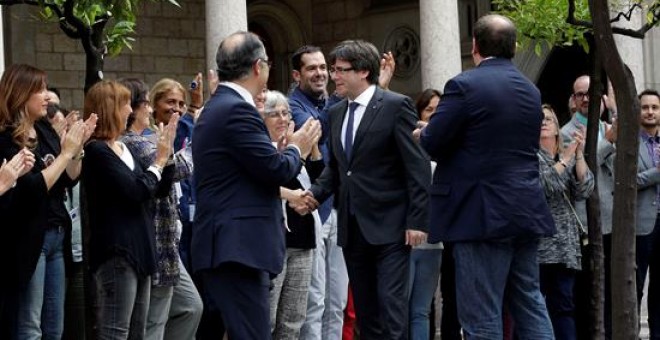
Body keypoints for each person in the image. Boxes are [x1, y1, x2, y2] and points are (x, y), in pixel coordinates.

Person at [420, 14, 555, 339]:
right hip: (525, 209)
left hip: (480, 213)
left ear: (475, 46)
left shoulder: (464, 85)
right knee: (530, 303)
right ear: (513, 47)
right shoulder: (530, 90)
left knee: (481, 315)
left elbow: (435, 142)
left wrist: (422, 134)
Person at [299, 39, 431, 339]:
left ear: (364, 73)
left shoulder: (396, 106)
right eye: (334, 70)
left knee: (392, 310)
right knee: (367, 313)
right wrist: (314, 196)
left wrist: (417, 219)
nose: (335, 77)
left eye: (342, 70)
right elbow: (339, 168)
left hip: (391, 228)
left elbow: (417, 166)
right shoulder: (335, 113)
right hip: (353, 227)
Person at [191, 31, 320, 339]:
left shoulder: (218, 106)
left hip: (231, 246)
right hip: (238, 248)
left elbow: (250, 172)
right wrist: (297, 147)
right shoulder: (237, 109)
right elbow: (274, 169)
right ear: (259, 66)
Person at [0, 63, 94, 340]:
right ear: (20, 94)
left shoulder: (43, 129)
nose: (46, 96)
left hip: (56, 233)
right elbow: (33, 187)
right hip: (29, 237)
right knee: (30, 326)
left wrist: (76, 151)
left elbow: (70, 178)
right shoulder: (6, 138)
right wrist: (66, 153)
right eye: (39, 90)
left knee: (55, 326)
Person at [82, 80, 177, 340]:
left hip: (141, 248)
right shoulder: (97, 152)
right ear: (109, 109)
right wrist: (157, 162)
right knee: (116, 332)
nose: (130, 111)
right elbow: (135, 191)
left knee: (138, 333)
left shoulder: (122, 148)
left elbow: (158, 190)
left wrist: (166, 156)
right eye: (124, 105)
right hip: (117, 252)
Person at [120, 77, 203, 340]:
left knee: (190, 307)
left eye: (181, 103)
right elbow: (179, 167)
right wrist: (202, 133)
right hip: (153, 240)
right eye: (170, 102)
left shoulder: (157, 137)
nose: (176, 108)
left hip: (168, 241)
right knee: (153, 321)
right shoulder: (135, 141)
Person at [263, 90, 323, 339]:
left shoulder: (297, 146)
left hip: (303, 239)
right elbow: (272, 180)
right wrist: (296, 150)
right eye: (273, 114)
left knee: (294, 319)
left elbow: (320, 181)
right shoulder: (261, 148)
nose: (282, 119)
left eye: (285, 113)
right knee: (268, 318)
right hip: (272, 242)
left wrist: (314, 148)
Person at [537, 105, 594, 340]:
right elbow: (545, 186)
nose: (543, 122)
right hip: (539, 244)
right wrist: (567, 158)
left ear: (558, 129)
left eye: (549, 119)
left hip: (566, 244)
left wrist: (577, 153)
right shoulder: (528, 157)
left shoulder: (565, 155)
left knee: (564, 305)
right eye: (538, 119)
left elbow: (585, 188)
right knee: (537, 306)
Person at [408, 88, 444, 340]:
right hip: (406, 241)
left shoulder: (448, 148)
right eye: (429, 109)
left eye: (438, 110)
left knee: (420, 311)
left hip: (434, 242)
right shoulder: (409, 147)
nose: (433, 115)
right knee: (401, 309)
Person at [633, 89, 660, 340]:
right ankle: (632, 333)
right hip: (641, 223)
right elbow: (628, 180)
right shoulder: (630, 141)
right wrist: (657, 172)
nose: (650, 112)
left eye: (655, 107)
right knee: (637, 284)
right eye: (645, 107)